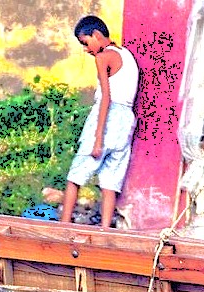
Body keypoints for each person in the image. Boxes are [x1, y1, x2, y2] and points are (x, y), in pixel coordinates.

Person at [60, 15, 140, 228]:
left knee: (76, 174)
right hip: (126, 120)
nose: (86, 49)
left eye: (85, 43)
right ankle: (105, 230)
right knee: (110, 180)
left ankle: (64, 225)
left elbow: (106, 98)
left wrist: (98, 138)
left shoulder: (103, 57)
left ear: (96, 35)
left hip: (108, 117)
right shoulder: (127, 55)